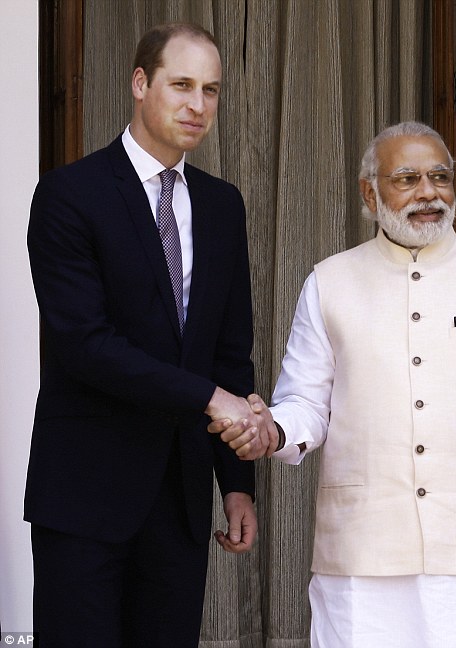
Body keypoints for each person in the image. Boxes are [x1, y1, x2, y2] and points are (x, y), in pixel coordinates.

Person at [211, 121, 456, 647]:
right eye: (407, 179)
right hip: (361, 559)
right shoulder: (329, 282)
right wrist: (273, 429)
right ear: (370, 193)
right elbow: (306, 404)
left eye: (440, 177)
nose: (428, 192)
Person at [25, 22, 275, 647]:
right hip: (85, 494)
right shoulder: (68, 194)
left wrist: (236, 483)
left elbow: (229, 353)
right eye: (181, 85)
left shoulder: (223, 205)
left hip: (180, 499)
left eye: (211, 90)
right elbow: (85, 345)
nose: (198, 105)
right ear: (140, 83)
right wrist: (208, 398)